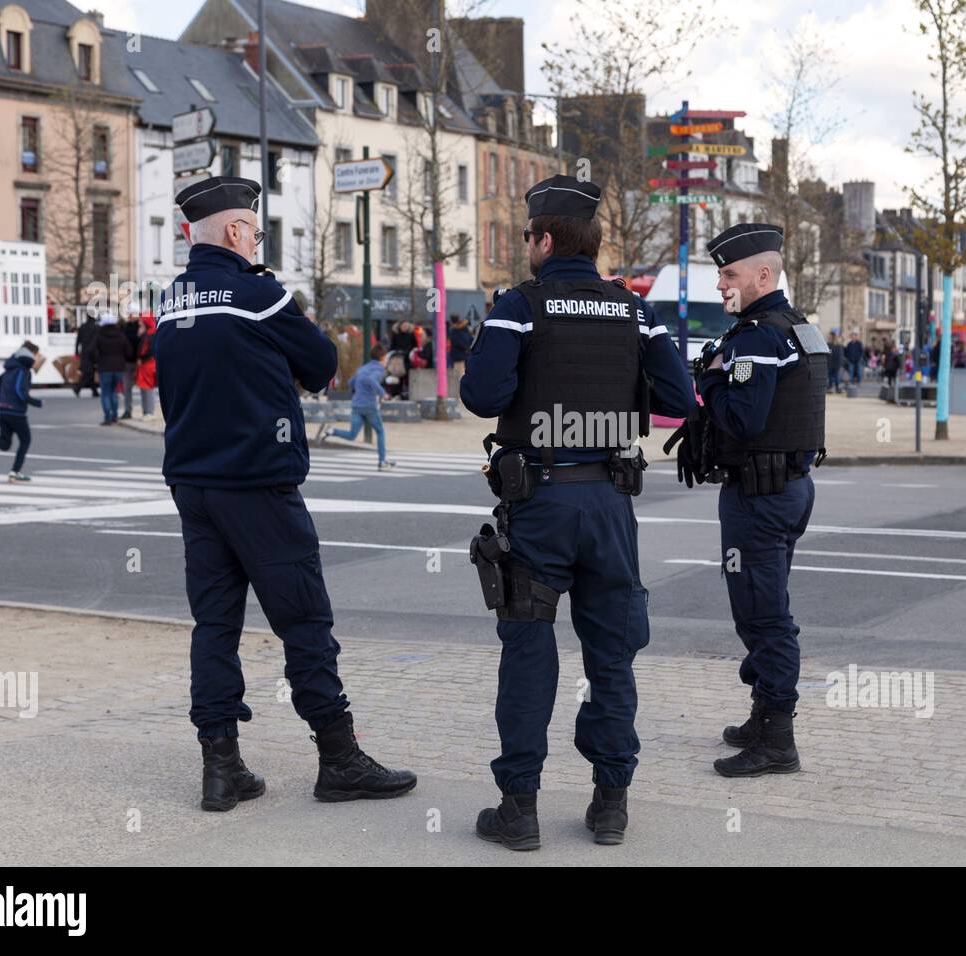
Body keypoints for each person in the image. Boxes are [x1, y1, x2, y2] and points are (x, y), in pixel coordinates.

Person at [156, 175, 415, 812]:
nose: (256, 241)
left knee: (213, 625)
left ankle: (221, 768)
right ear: (238, 233)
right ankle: (339, 759)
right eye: (255, 230)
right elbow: (323, 365)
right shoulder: (258, 293)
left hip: (194, 485)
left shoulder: (172, 300)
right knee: (304, 622)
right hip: (259, 486)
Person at [460, 174, 695, 849]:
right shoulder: (635, 311)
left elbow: (483, 395)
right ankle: (610, 803)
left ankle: (520, 809)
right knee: (613, 654)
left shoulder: (519, 305)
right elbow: (678, 397)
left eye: (529, 237)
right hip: (611, 502)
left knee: (529, 652)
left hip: (540, 500)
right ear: (593, 244)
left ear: (542, 239)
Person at [667, 222, 824, 780]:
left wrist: (708, 380)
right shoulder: (799, 328)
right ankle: (763, 717)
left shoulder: (757, 336)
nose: (720, 285)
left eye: (728, 274)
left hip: (759, 494)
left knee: (764, 618)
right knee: (766, 609)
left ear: (763, 274)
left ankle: (778, 740)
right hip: (790, 488)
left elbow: (742, 419)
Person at [0, 340, 44, 482]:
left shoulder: (11, 368)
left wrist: (1, 403)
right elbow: (19, 391)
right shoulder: (23, 371)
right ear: (31, 355)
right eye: (37, 355)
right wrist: (35, 402)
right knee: (26, 440)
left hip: (3, 411)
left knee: (5, 444)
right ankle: (14, 472)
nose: (39, 358)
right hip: (16, 413)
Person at [327, 343, 394, 470]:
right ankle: (382, 461)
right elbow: (372, 380)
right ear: (382, 358)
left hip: (356, 404)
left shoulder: (363, 368)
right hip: (368, 405)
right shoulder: (379, 370)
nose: (386, 361)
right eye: (386, 358)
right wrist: (383, 394)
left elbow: (351, 382)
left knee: (352, 434)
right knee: (380, 431)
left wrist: (360, 389)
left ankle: (332, 431)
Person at [93, 312, 132, 425]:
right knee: (114, 391)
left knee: (105, 393)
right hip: (119, 367)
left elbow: (91, 351)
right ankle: (115, 415)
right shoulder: (121, 336)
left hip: (104, 367)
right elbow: (129, 351)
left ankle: (107, 417)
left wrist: (97, 360)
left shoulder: (99, 336)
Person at [135, 314, 158, 418]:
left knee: (147, 388)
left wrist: (141, 358)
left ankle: (148, 412)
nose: (139, 323)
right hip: (148, 364)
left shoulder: (149, 334)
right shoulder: (150, 333)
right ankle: (147, 411)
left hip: (147, 364)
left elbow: (144, 350)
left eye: (141, 322)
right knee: (146, 388)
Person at [120, 314, 141, 420]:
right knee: (127, 388)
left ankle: (147, 411)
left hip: (140, 362)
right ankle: (128, 411)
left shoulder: (141, 326)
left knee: (144, 387)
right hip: (129, 362)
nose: (130, 316)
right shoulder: (125, 327)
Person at [73, 314, 99, 398]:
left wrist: (76, 352)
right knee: (89, 373)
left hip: (84, 352)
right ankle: (78, 388)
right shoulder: (95, 327)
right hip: (93, 353)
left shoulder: (82, 327)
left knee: (88, 371)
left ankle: (94, 391)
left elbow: (78, 340)